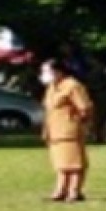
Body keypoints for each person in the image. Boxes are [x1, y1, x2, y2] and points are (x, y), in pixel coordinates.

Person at [41, 60, 95, 203]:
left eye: (48, 72)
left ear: (59, 71)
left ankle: (74, 191)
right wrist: (46, 129)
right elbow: (49, 110)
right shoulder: (51, 88)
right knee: (60, 163)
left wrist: (81, 124)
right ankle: (60, 190)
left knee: (74, 162)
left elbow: (84, 107)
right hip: (55, 130)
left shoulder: (72, 85)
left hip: (69, 129)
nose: (45, 75)